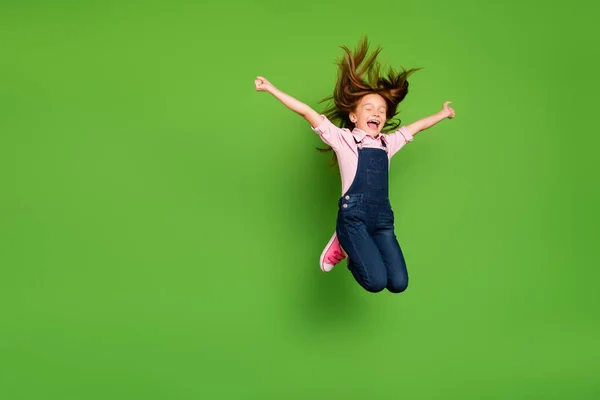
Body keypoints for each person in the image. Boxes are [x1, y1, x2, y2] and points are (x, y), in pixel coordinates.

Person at [254, 37, 455, 293]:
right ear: (353, 116)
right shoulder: (344, 139)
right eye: (369, 108)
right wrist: (272, 88)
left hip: (383, 220)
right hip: (353, 218)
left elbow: (416, 127)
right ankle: (345, 245)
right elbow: (306, 112)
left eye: (381, 110)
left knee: (398, 284)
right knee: (376, 282)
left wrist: (442, 114)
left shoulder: (387, 143)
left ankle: (347, 244)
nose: (376, 113)